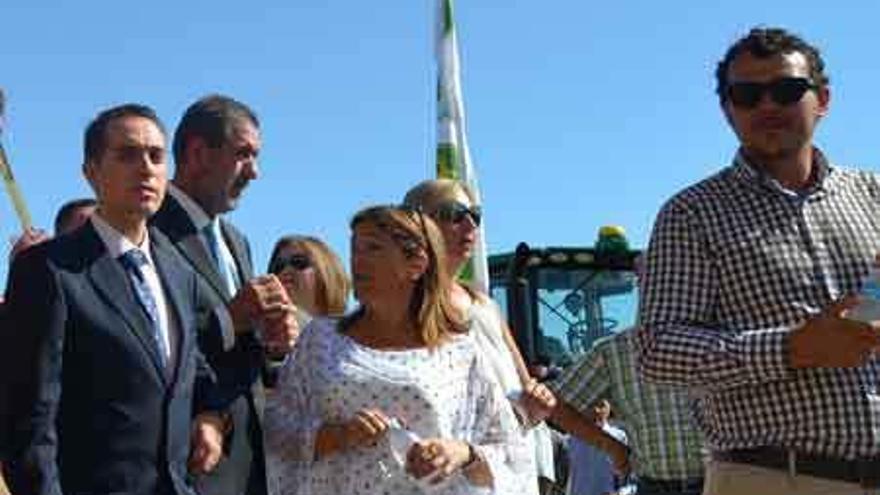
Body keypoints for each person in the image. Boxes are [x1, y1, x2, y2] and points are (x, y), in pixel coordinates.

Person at [638, 27, 880, 495]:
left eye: (787, 90)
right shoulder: (692, 213)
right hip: (772, 479)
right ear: (728, 109)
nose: (767, 106)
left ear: (823, 99)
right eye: (747, 94)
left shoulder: (874, 197)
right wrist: (791, 348)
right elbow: (657, 351)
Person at [0, 104, 230, 495]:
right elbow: (29, 419)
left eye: (156, 156)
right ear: (91, 171)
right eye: (127, 155)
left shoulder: (181, 274)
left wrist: (211, 415)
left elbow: (188, 366)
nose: (146, 168)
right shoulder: (49, 270)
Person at [265, 205, 532, 495]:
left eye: (373, 248)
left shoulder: (460, 354)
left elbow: (511, 454)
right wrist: (335, 436)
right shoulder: (320, 340)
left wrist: (459, 453)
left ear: (416, 263)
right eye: (355, 248)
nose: (357, 260)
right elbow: (276, 430)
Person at [403, 179, 627, 492]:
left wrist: (611, 446)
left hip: (515, 465)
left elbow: (538, 396)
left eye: (475, 215)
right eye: (453, 214)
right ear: (415, 225)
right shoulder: (405, 309)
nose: (470, 223)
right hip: (450, 473)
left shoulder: (486, 307)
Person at [151, 94, 298, 495]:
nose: (255, 172)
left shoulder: (237, 242)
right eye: (244, 154)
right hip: (192, 458)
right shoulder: (147, 234)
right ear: (198, 153)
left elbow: (242, 353)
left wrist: (273, 343)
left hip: (251, 459)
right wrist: (230, 318)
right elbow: (147, 343)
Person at [551, 327, 704, 495]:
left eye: (601, 404)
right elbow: (552, 404)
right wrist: (613, 448)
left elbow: (552, 404)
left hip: (720, 477)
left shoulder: (616, 350)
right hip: (659, 486)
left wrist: (616, 451)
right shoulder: (612, 352)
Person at [266, 235, 350, 322]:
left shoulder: (351, 333)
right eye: (278, 267)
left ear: (325, 273)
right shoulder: (256, 332)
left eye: (298, 262)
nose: (286, 270)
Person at [565, 399, 629, 495]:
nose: (596, 410)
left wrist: (620, 493)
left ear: (609, 408)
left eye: (601, 405)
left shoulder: (619, 437)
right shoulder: (572, 438)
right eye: (590, 405)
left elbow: (629, 477)